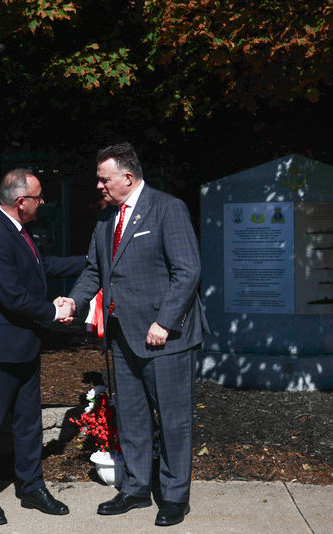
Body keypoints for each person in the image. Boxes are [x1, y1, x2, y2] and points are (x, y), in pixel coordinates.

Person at [62, 143, 209, 527]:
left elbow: (188, 271)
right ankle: (136, 488)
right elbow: (95, 271)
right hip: (122, 336)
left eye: (104, 178)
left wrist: (165, 322)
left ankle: (175, 497)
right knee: (132, 416)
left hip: (165, 338)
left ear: (128, 177)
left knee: (174, 421)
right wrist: (73, 302)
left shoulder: (167, 208)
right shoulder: (105, 218)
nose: (99, 185)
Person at [0, 169, 85, 526]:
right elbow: (12, 296)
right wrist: (55, 312)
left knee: (28, 425)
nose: (42, 202)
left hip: (25, 345)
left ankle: (31, 488)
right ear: (21, 202)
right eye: (38, 197)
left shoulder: (19, 230)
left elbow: (42, 266)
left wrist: (92, 261)